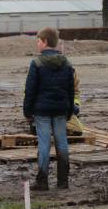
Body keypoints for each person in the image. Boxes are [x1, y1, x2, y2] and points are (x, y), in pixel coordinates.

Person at [23, 27, 78, 191]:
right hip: (61, 110)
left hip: (42, 111)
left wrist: (27, 112)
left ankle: (42, 181)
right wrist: (70, 110)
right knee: (62, 143)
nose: (37, 44)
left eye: (38, 41)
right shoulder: (67, 63)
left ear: (45, 42)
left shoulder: (36, 63)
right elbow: (71, 89)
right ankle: (63, 181)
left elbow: (30, 90)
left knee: (44, 145)